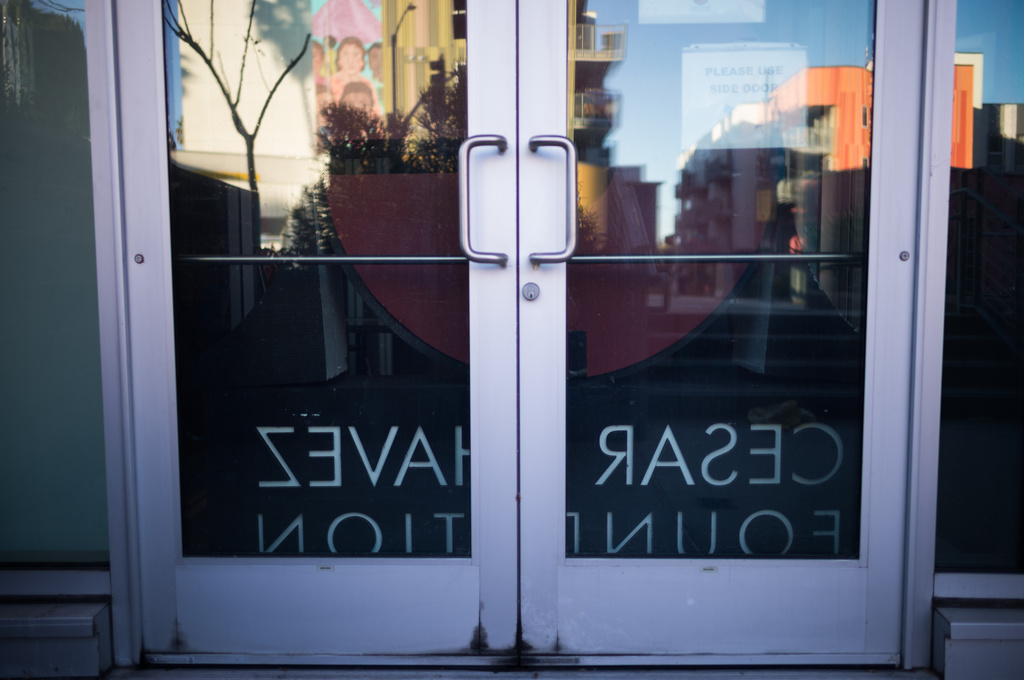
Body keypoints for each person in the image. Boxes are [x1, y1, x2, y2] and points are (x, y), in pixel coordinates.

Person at [330, 36, 379, 111]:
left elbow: (375, 111)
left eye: (356, 54)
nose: (351, 60)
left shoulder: (367, 84)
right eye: (345, 54)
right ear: (339, 60)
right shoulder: (330, 83)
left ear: (362, 61)